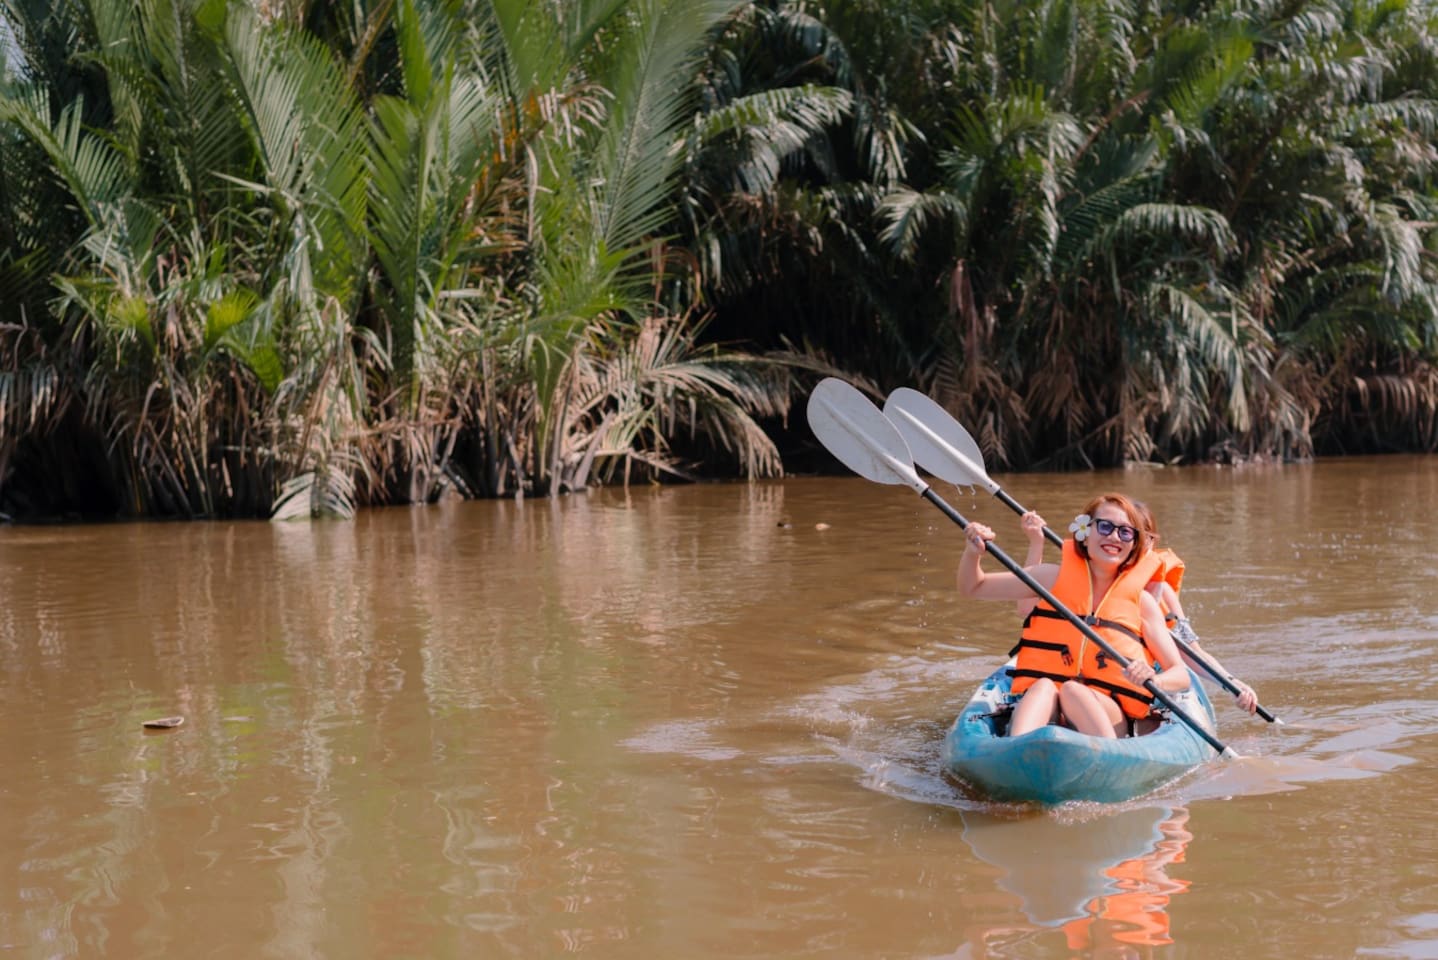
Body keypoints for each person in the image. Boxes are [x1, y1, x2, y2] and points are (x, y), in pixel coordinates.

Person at [959, 493, 1190, 739]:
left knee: (1073, 691)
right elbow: (974, 587)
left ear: (1134, 544)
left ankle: (1105, 756)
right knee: (1044, 687)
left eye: (1125, 532)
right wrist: (973, 553)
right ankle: (1018, 750)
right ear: (1085, 532)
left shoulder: (1142, 603)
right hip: (1047, 705)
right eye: (1105, 526)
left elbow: (1180, 674)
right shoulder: (1050, 578)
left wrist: (1153, 677)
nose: (1113, 537)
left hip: (1109, 711)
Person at [1013, 502, 1260, 717]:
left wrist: (1232, 683)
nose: (1119, 540)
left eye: (1136, 536)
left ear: (1150, 542)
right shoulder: (1087, 578)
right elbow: (1026, 608)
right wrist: (1036, 543)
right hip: (1072, 677)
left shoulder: (1161, 596)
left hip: (1135, 684)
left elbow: (1191, 652)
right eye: (1112, 531)